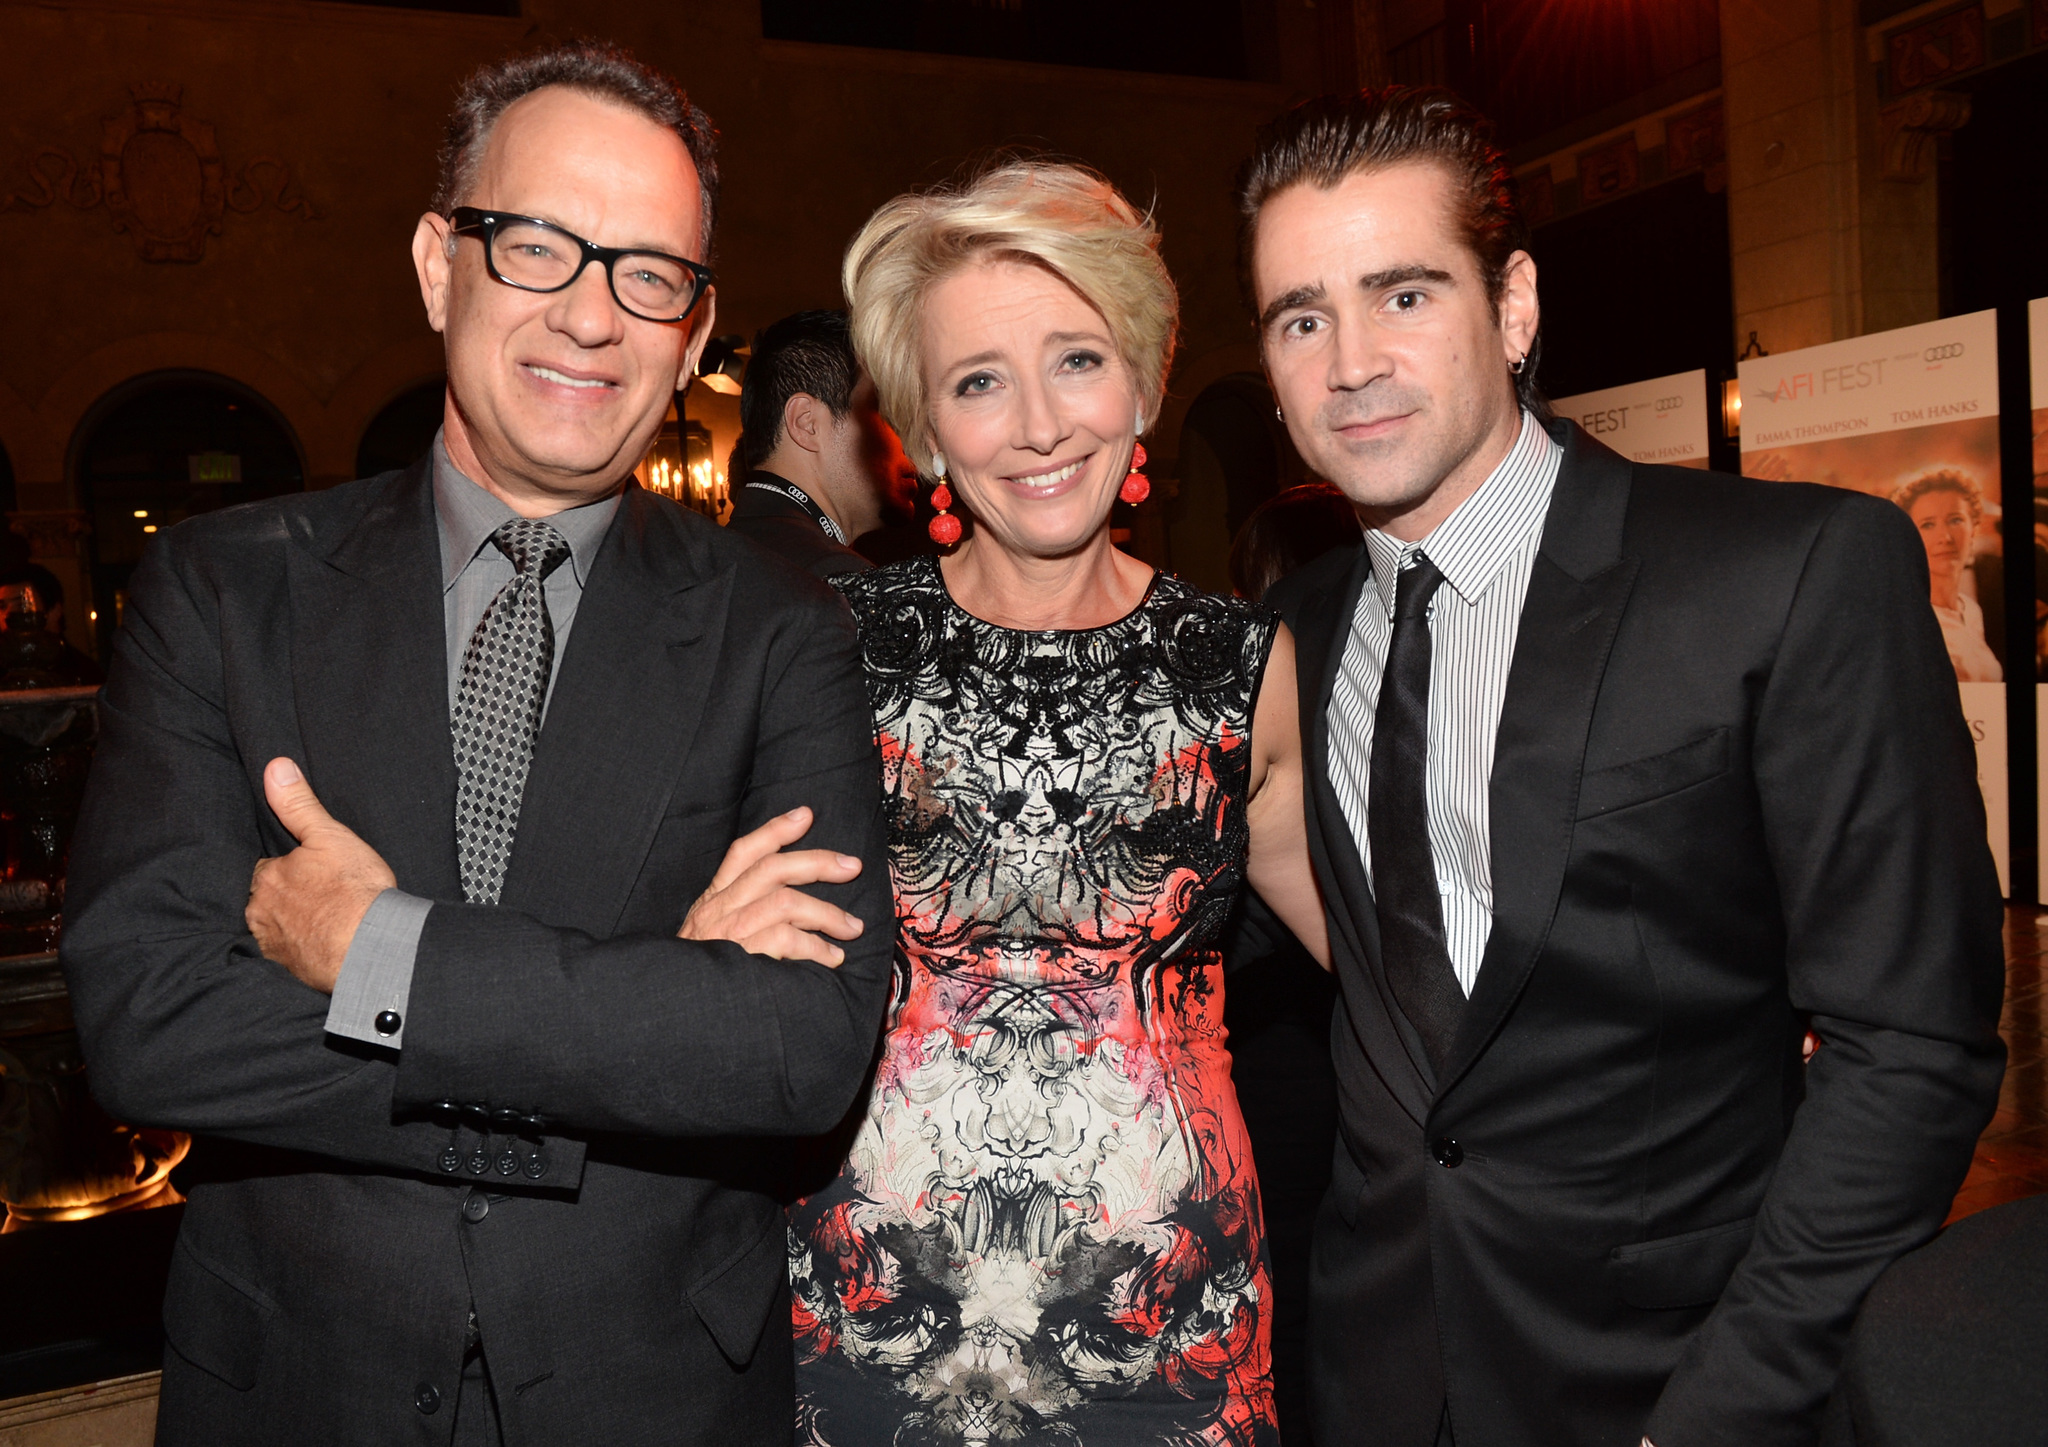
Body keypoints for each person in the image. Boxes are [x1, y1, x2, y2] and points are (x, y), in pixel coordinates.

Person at [60, 43, 894, 1446]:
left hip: (657, 1395)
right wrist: (645, 1015)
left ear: (694, 336)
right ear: (440, 263)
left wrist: (380, 953)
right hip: (296, 1388)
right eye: (541, 246)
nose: (592, 315)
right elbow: (150, 1022)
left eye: (648, 273)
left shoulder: (785, 628)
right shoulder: (219, 591)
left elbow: (795, 1047)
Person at [1239, 88, 2006, 1447]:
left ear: (1515, 304)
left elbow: (1914, 1046)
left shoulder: (1788, 575)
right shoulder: (1284, 640)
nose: (1349, 360)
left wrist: (1720, 1409)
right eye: (1302, 317)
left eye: (1403, 295)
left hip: (1673, 1380)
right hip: (1370, 1372)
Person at [784, 160, 1330, 1447]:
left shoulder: (1242, 667)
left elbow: (1395, 975)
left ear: (1141, 384)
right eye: (977, 381)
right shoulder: (825, 648)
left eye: (1076, 360)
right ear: (918, 432)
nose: (1036, 425)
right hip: (875, 1321)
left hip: (1161, 1330)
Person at [727, 309, 920, 578]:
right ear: (807, 422)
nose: (916, 438)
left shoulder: (726, 555)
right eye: (888, 412)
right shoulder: (832, 582)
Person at [1892, 470, 2002, 682]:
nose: (1945, 537)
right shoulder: (1904, 621)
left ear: (1973, 529)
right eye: (1928, 525)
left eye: (1955, 520)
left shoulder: (1971, 611)